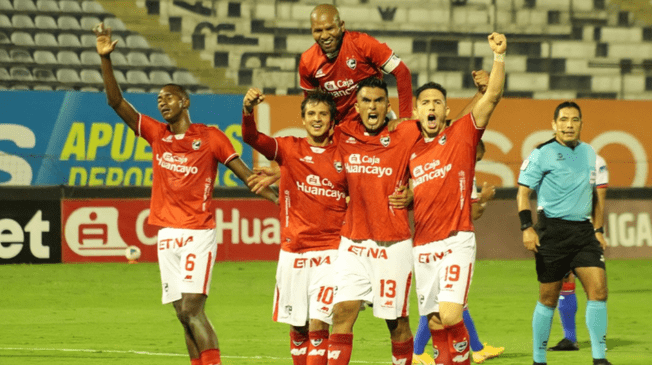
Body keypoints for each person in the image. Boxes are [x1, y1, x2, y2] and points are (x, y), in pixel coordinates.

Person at [93, 23, 278, 365]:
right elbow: (115, 101)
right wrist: (106, 59)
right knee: (182, 314)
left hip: (196, 233)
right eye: (159, 99)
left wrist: (285, 203)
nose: (162, 102)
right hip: (167, 236)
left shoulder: (210, 137)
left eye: (169, 97)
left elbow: (248, 177)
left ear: (185, 101)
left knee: (193, 309)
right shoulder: (156, 133)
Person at [408, 32, 506, 365]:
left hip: (455, 241)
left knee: (451, 315)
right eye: (425, 102)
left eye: (437, 102)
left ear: (446, 110)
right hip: (421, 247)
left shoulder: (461, 134)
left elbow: (492, 95)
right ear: (416, 111)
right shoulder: (408, 150)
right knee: (435, 321)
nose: (431, 107)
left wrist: (499, 57)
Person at [241, 88, 347, 365]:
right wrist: (247, 111)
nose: (316, 118)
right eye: (311, 113)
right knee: (298, 329)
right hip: (293, 252)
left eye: (323, 114)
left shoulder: (345, 155)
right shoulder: (288, 148)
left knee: (319, 325)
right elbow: (251, 138)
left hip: (330, 253)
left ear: (332, 121)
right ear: (302, 119)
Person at [327, 77, 423, 365]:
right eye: (366, 100)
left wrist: (414, 191)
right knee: (342, 312)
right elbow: (311, 156)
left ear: (387, 106)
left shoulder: (406, 132)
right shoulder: (342, 134)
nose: (372, 106)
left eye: (378, 100)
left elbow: (445, 147)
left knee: (396, 322)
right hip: (353, 242)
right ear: (356, 106)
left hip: (392, 244)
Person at [517, 101, 610, 365]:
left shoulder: (590, 153)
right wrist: (527, 227)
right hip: (552, 231)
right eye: (564, 120)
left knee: (599, 290)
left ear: (581, 123)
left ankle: (599, 358)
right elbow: (523, 193)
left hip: (582, 231)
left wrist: (598, 229)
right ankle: (538, 359)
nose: (569, 125)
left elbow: (594, 195)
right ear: (554, 124)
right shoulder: (541, 153)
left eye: (575, 120)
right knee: (548, 297)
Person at [412, 139, 505, 365]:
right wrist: (483, 200)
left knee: (449, 304)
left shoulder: (439, 165)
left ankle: (478, 348)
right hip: (447, 241)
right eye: (475, 157)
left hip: (430, 240)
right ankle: (416, 351)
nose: (474, 161)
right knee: (442, 304)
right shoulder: (463, 172)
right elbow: (472, 214)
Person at [299, 4, 413, 124]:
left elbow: (402, 71)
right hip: (344, 129)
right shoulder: (307, 61)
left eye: (330, 28)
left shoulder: (363, 44)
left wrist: (405, 118)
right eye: (318, 31)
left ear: (342, 26)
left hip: (378, 122)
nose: (325, 36)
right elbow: (313, 103)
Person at [548, 155, 609, 352]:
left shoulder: (595, 161)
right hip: (562, 232)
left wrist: (598, 231)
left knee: (594, 287)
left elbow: (599, 200)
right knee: (565, 282)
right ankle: (570, 338)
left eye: (574, 121)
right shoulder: (550, 159)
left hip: (586, 232)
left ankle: (599, 339)